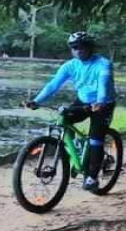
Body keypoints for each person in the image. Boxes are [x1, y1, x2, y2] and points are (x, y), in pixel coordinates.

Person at [24, 31, 116, 192]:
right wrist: (36, 101)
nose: (78, 50)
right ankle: (77, 151)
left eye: (82, 47)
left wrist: (100, 101)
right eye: (74, 47)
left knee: (96, 139)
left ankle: (92, 177)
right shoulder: (69, 66)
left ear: (90, 47)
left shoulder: (103, 64)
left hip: (103, 104)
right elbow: (53, 86)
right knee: (64, 118)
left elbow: (103, 83)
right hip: (83, 102)